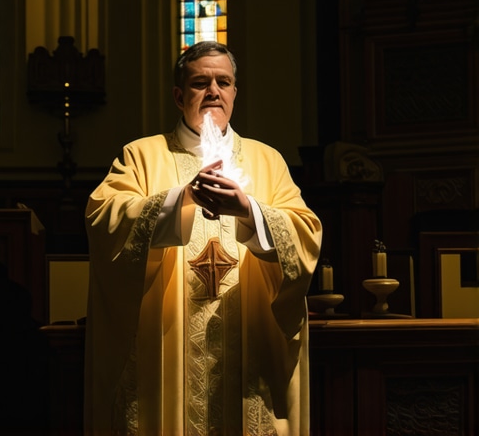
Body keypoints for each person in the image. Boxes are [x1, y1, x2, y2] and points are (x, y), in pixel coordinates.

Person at [84, 41, 322, 436]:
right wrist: (182, 198)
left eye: (223, 82)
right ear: (180, 96)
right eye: (200, 83)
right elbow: (103, 219)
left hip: (250, 351)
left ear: (234, 93)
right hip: (165, 357)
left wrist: (249, 211)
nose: (213, 91)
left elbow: (306, 233)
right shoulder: (141, 155)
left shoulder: (267, 159)